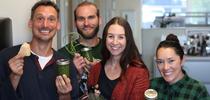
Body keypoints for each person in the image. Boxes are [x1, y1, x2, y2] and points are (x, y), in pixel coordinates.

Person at [0, 1, 72, 100]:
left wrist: (64, 95)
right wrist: (15, 76)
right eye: (40, 18)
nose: (45, 25)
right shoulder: (6, 56)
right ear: (30, 23)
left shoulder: (66, 64)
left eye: (51, 19)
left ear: (58, 25)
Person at [87, 17, 150, 100]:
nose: (115, 42)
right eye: (111, 36)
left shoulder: (139, 73)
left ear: (127, 40)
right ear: (105, 38)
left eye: (121, 37)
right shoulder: (96, 69)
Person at [58, 1, 102, 99]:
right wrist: (75, 74)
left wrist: (97, 70)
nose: (86, 23)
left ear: (99, 20)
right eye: (81, 19)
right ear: (75, 23)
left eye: (91, 17)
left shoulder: (111, 50)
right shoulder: (63, 54)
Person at [150, 34, 210, 99]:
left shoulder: (197, 90)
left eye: (171, 61)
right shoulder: (152, 85)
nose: (165, 67)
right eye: (160, 62)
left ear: (182, 60)